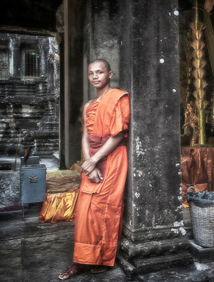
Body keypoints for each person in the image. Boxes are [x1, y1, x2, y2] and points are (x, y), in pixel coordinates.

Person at [59, 59, 130, 280]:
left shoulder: (119, 97)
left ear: (110, 74)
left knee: (104, 208)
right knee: (84, 210)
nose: (95, 76)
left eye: (100, 72)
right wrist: (89, 165)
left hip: (112, 157)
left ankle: (100, 258)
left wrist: (95, 160)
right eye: (91, 73)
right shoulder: (89, 105)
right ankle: (81, 260)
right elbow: (85, 137)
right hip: (93, 159)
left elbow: (117, 135)